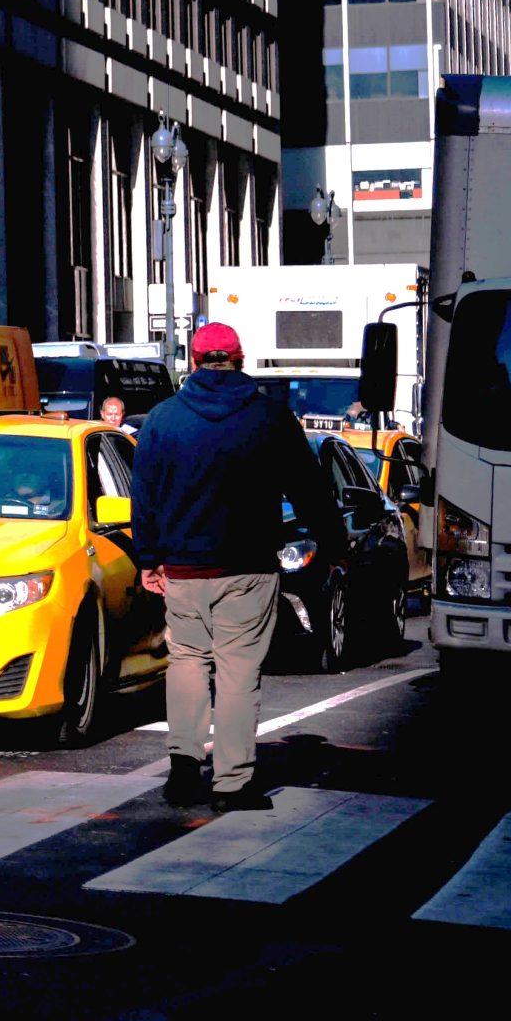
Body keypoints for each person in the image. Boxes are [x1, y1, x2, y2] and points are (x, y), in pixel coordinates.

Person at [130, 321, 347, 812]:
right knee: (237, 672)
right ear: (240, 357)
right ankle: (232, 783)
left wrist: (148, 559)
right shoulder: (270, 417)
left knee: (186, 662)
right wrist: (332, 544)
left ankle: (184, 771)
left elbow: (143, 499)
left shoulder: (162, 420)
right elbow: (309, 490)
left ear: (193, 359)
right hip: (248, 567)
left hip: (183, 568)